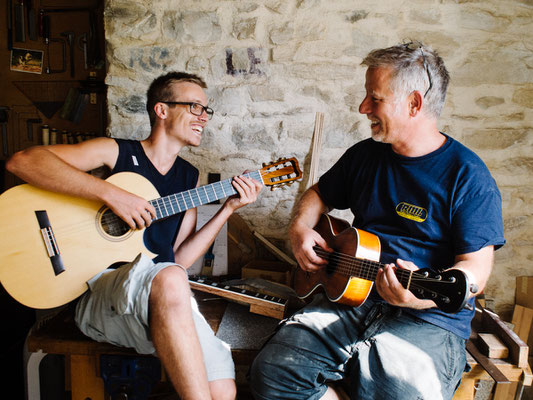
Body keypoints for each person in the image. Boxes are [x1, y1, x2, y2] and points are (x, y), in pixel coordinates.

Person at [249, 42, 505, 400]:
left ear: (414, 103)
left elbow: (475, 272)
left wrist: (416, 299)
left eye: (375, 98)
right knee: (272, 376)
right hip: (353, 298)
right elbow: (317, 195)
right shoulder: (365, 155)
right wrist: (300, 229)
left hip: (429, 320)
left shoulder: (469, 177)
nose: (363, 108)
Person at [6, 71, 263, 400]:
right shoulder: (115, 153)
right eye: (195, 107)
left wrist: (228, 209)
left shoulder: (189, 178)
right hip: (101, 296)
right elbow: (23, 162)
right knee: (171, 280)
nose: (204, 117)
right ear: (162, 110)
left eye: (206, 110)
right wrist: (110, 194)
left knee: (223, 389)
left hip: (157, 296)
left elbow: (179, 261)